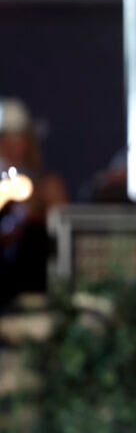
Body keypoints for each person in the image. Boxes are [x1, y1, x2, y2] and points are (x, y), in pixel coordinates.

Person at [0, 97, 68, 308]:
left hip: (39, 294)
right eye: (5, 141)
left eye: (17, 140)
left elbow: (64, 235)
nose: (11, 149)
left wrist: (37, 209)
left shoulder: (47, 186)